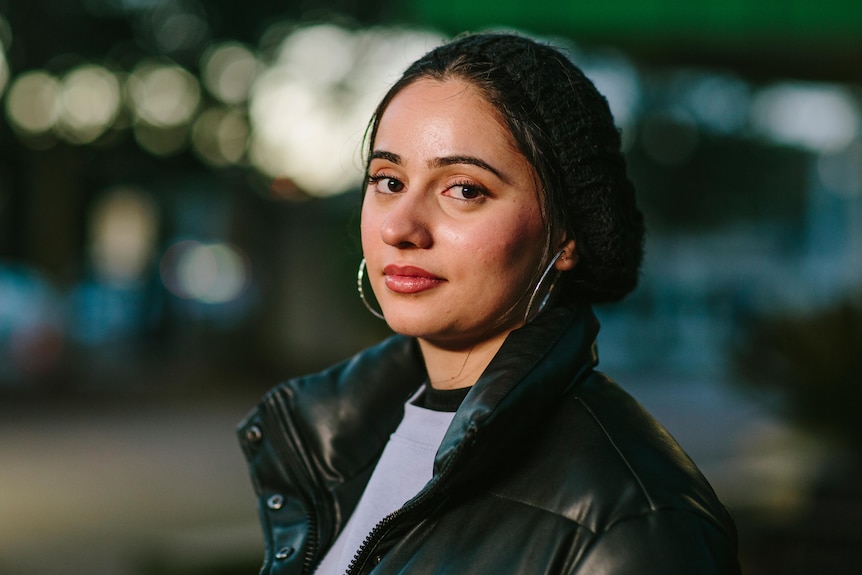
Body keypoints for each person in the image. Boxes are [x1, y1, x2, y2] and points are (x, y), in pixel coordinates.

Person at [237, 32, 741, 575]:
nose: (401, 226)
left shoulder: (633, 521)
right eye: (388, 180)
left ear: (565, 235)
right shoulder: (339, 442)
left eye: (464, 189)